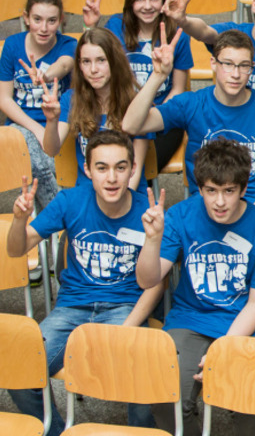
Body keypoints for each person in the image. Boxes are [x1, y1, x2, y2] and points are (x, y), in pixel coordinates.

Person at [6, 130, 163, 436]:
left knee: (146, 372)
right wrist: (18, 221)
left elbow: (156, 282)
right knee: (19, 367)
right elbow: (16, 249)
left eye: (120, 167)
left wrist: (128, 327)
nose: (112, 178)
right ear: (88, 170)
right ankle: (55, 432)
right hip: (72, 308)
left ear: (132, 169)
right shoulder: (71, 200)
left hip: (123, 307)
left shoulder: (149, 211)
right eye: (102, 168)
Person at [138, 138, 255, 436]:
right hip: (191, 320)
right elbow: (147, 280)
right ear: (200, 187)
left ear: (243, 189)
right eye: (211, 191)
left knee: (254, 407)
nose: (220, 202)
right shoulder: (180, 216)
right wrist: (152, 241)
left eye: (229, 191)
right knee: (165, 397)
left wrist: (223, 350)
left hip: (246, 325)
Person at [122, 29, 255, 241]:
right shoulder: (192, 103)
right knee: (154, 242)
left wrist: (245, 215)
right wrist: (158, 76)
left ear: (252, 69)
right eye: (228, 64)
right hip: (204, 205)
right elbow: (131, 125)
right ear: (213, 64)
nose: (235, 74)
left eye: (243, 66)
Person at [82, 0, 194, 170]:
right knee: (112, 160)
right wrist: (91, 27)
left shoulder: (178, 32)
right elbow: (91, 60)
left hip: (161, 117)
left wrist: (154, 114)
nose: (147, 6)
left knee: (138, 166)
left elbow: (179, 88)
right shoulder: (116, 26)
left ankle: (137, 195)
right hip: (121, 113)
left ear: (163, 0)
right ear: (130, 1)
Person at [39, 28, 150, 191]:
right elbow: (51, 149)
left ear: (114, 61)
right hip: (88, 195)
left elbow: (136, 169)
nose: (93, 69)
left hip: (127, 194)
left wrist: (116, 205)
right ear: (79, 66)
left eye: (101, 60)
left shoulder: (136, 103)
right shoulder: (71, 98)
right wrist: (51, 120)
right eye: (86, 61)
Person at [0, 0, 77, 209]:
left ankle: (56, 218)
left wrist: (44, 75)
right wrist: (36, 129)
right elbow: (5, 100)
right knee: (32, 150)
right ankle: (60, 214)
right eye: (37, 19)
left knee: (39, 158)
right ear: (26, 18)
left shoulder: (68, 45)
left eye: (51, 21)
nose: (44, 28)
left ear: (61, 21)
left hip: (61, 125)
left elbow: (64, 64)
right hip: (22, 125)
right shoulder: (13, 46)